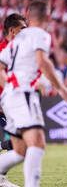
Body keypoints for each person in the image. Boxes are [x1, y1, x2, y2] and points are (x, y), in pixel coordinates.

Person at [0, 0, 67, 187]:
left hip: (11, 96)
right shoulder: (40, 34)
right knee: (37, 144)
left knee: (21, 150)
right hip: (23, 94)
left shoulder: (17, 39)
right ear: (48, 17)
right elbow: (43, 62)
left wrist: (8, 89)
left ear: (28, 16)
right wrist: (63, 89)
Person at [0, 13, 27, 153]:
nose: (26, 32)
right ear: (12, 30)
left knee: (23, 141)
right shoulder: (2, 50)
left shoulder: (20, 51)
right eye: (23, 28)